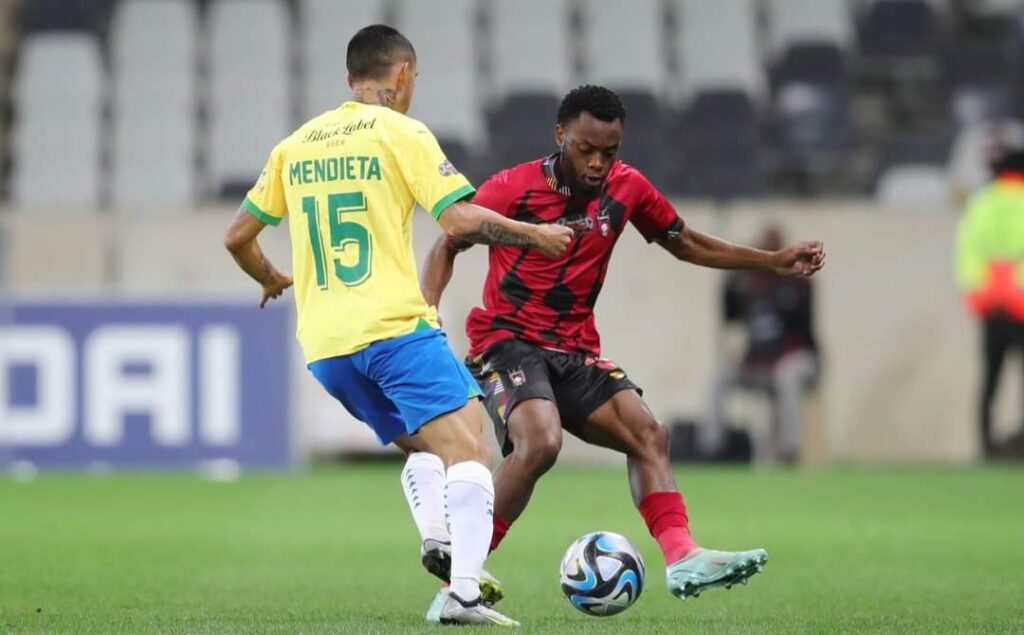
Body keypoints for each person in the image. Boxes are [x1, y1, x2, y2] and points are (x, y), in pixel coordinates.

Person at [419, 85, 825, 617]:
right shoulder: (512, 188)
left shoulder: (627, 188)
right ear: (561, 135)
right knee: (540, 442)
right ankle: (461, 576)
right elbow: (448, 241)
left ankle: (682, 556)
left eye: (609, 152)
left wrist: (771, 261)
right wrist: (426, 319)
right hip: (507, 342)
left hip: (575, 350)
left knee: (649, 433)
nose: (597, 163)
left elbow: (685, 242)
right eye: (586, 149)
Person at [223, 25, 572, 627]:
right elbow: (459, 220)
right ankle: (463, 594)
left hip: (328, 349)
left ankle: (438, 536)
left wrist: (269, 276)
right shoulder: (400, 132)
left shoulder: (295, 145)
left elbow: (237, 236)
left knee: (426, 442)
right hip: (392, 329)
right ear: (404, 73)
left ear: (349, 79)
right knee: (472, 446)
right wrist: (535, 235)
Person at [703, 224, 820, 464]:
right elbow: (729, 315)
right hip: (758, 363)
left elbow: (803, 331)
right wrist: (734, 269)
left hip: (797, 360)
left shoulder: (797, 283)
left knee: (786, 376)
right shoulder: (749, 285)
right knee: (719, 378)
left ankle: (789, 452)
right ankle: (711, 450)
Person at [955, 137, 1024, 460]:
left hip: (991, 305)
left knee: (990, 379)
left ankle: (985, 445)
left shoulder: (982, 202)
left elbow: (968, 251)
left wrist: (979, 294)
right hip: (1021, 304)